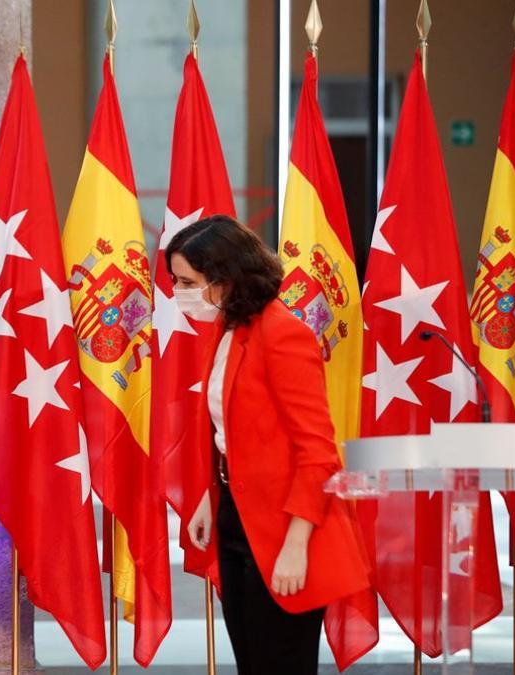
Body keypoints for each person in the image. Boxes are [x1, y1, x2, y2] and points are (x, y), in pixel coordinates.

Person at [168, 215, 370, 675]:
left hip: (287, 527)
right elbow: (230, 431)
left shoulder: (282, 333)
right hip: (237, 517)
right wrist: (207, 497)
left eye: (187, 282)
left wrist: (297, 545)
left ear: (225, 279)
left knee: (280, 662)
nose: (179, 292)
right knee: (253, 662)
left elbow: (318, 453)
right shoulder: (229, 328)